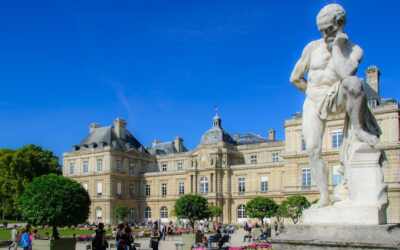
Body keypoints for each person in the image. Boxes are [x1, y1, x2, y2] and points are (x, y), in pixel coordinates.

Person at [290, 3, 381, 207]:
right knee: (312, 149)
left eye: (328, 29)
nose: (324, 34)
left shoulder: (354, 50)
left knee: (354, 83)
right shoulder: (311, 48)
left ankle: (358, 128)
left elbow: (345, 74)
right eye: (320, 30)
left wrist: (337, 47)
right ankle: (324, 196)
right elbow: (295, 78)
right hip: (314, 98)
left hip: (336, 94)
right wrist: (312, 92)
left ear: (339, 23)